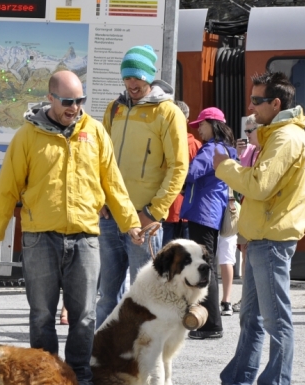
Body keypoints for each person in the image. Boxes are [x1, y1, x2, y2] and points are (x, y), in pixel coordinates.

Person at [0, 70, 141, 385]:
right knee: (41, 314)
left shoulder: (95, 132)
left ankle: (79, 377)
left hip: (85, 236)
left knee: (84, 315)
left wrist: (131, 224)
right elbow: (6, 189)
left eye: (80, 100)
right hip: (40, 237)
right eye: (68, 101)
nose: (75, 107)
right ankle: (45, 376)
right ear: (51, 99)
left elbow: (113, 183)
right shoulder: (27, 136)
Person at [207, 71, 305, 385]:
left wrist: (225, 167)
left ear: (276, 104)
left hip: (271, 238)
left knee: (274, 319)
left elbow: (258, 186)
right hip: (262, 238)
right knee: (251, 318)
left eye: (256, 100)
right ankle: (236, 383)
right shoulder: (279, 135)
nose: (250, 107)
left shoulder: (285, 138)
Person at [96, 45, 188, 328]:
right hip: (111, 216)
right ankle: (101, 352)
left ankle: (142, 356)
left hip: (144, 219)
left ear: (149, 77)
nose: (132, 84)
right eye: (127, 78)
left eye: (137, 78)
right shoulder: (114, 109)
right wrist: (100, 199)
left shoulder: (168, 112)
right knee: (106, 295)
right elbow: (100, 160)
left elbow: (178, 167)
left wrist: (153, 212)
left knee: (147, 296)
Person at [181, 107, 237, 340]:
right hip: (212, 212)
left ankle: (211, 324)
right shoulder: (226, 149)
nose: (198, 129)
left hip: (202, 212)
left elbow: (191, 173)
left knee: (205, 267)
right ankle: (210, 322)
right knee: (208, 264)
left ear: (212, 124)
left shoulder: (211, 149)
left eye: (201, 125)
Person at [232, 114, 261, 313]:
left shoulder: (269, 151)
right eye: (246, 131)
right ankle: (246, 298)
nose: (247, 135)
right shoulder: (247, 151)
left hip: (261, 214)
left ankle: (255, 300)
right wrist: (235, 154)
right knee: (245, 254)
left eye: (250, 130)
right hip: (247, 210)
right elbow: (236, 179)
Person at [162, 100, 201, 247]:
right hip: (187, 208)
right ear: (187, 120)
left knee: (164, 258)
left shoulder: (162, 142)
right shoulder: (196, 145)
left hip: (166, 208)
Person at [218, 232, 238, 316]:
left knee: (208, 258)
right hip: (228, 224)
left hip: (210, 222)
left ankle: (209, 302)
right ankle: (226, 302)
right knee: (227, 260)